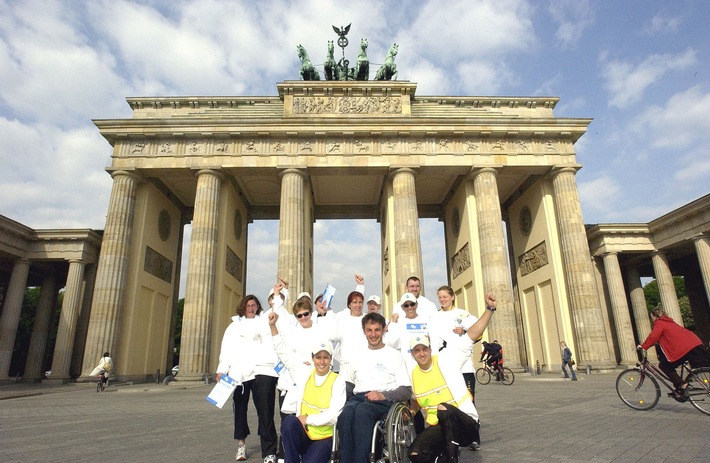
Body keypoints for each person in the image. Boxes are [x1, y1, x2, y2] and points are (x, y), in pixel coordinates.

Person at [407, 293, 497, 462]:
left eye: (424, 349)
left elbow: (472, 335)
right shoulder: (413, 374)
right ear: (412, 354)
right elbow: (416, 402)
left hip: (465, 423)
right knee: (415, 453)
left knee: (444, 409)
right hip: (440, 428)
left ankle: (451, 457)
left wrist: (490, 309)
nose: (422, 353)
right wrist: (410, 411)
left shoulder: (446, 359)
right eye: (417, 350)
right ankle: (441, 457)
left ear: (430, 349)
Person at [268, 308, 346, 463]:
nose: (321, 362)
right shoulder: (304, 373)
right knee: (289, 422)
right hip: (303, 433)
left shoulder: (337, 381)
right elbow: (283, 353)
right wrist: (272, 327)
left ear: (331, 359)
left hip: (323, 437)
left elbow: (333, 416)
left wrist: (308, 419)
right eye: (318, 357)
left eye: (325, 358)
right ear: (312, 358)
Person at [337, 312, 412, 463]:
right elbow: (349, 385)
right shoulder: (356, 355)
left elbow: (406, 390)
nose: (373, 334)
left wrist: (383, 395)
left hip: (383, 399)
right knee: (346, 413)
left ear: (384, 329)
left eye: (377, 330)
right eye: (369, 330)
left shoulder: (394, 355)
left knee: (362, 412)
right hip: (359, 397)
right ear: (364, 331)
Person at [215, 295, 278, 463]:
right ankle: (241, 445)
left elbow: (274, 343)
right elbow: (226, 350)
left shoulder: (264, 323)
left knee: (265, 413)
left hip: (260, 373)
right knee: (240, 412)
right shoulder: (233, 327)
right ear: (243, 307)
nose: (251, 308)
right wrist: (222, 369)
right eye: (248, 305)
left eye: (254, 305)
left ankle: (269, 451)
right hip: (239, 376)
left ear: (258, 307)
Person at [638, 305, 709, 399]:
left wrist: (643, 346)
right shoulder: (669, 322)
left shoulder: (659, 323)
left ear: (654, 316)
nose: (652, 320)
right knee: (670, 364)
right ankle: (679, 389)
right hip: (695, 344)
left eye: (652, 318)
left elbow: (653, 337)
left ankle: (683, 385)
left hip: (684, 348)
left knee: (664, 366)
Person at [384, 292, 430, 370]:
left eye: (412, 304)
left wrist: (430, 340)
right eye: (406, 305)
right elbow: (391, 343)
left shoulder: (427, 320)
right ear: (402, 307)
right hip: (407, 366)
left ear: (417, 304)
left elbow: (437, 343)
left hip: (425, 364)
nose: (409, 307)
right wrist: (393, 323)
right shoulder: (398, 322)